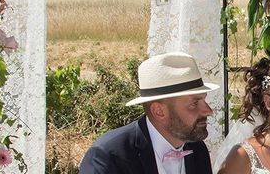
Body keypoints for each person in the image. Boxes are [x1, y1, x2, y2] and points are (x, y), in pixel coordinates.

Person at [79, 51, 218, 174]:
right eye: (194, 104)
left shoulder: (197, 150)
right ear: (159, 111)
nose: (208, 111)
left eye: (204, 101)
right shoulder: (109, 156)